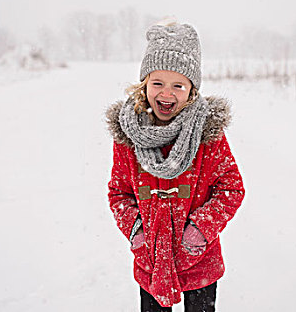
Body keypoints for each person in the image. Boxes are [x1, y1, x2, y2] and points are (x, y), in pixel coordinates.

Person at [105, 18, 245, 311]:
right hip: (151, 262)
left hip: (199, 262)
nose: (166, 94)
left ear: (192, 90)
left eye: (178, 85)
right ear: (144, 85)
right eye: (157, 83)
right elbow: (119, 194)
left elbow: (231, 188)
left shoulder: (208, 134)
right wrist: (137, 233)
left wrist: (201, 229)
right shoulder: (128, 137)